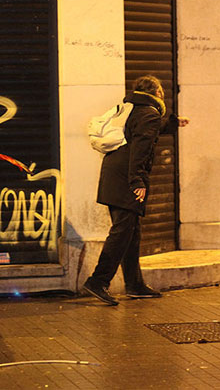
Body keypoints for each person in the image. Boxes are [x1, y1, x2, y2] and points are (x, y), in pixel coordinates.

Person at [83, 75, 190, 306]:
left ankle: (134, 284)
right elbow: (140, 149)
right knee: (122, 232)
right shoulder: (149, 114)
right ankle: (98, 281)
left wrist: (172, 123)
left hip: (114, 172)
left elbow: (142, 130)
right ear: (158, 93)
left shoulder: (132, 109)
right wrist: (137, 183)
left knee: (131, 232)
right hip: (125, 179)